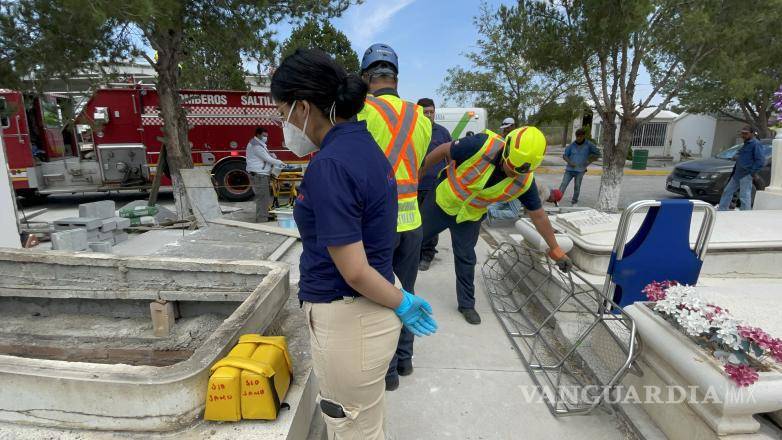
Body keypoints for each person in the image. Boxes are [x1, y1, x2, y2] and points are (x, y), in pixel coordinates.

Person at [271, 48, 437, 440]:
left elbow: (355, 270)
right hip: (369, 315)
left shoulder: (329, 165)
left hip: (349, 319)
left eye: (282, 113)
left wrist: (404, 303)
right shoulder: (363, 145)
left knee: (350, 427)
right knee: (366, 420)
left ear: (303, 107)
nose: (283, 123)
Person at [420, 127, 573, 325]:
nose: (513, 173)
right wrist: (419, 172)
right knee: (411, 239)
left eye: (520, 171)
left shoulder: (525, 183)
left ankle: (466, 305)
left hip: (469, 216)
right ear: (507, 149)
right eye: (511, 166)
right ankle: (388, 284)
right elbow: (443, 150)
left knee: (466, 259)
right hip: (441, 203)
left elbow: (539, 216)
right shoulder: (480, 145)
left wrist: (555, 248)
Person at [357, 43, 433, 391]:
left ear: (365, 77)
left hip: (378, 225)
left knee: (383, 299)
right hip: (413, 223)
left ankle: (386, 373)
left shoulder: (361, 110)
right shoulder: (420, 117)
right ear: (395, 78)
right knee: (408, 293)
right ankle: (405, 361)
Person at [416, 98, 452, 272]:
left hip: (434, 185)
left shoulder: (442, 133)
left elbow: (450, 158)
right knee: (414, 222)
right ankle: (414, 252)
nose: (429, 115)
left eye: (431, 112)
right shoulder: (412, 131)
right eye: (425, 112)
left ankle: (427, 254)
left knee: (430, 222)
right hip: (414, 185)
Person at [718, 126, 767, 211]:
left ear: (752, 134)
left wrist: (752, 172)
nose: (743, 135)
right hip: (737, 174)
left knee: (744, 195)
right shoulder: (746, 143)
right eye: (742, 133)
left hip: (746, 174)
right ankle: (722, 210)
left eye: (746, 133)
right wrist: (736, 156)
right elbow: (741, 155)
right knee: (727, 191)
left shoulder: (756, 144)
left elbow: (761, 161)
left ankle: (745, 215)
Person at [246, 127, 285, 222]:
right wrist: (280, 162)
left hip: (260, 173)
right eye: (264, 136)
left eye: (266, 136)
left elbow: (265, 156)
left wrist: (271, 155)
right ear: (258, 135)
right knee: (262, 197)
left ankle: (264, 215)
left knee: (264, 196)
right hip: (259, 174)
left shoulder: (258, 143)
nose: (266, 138)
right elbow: (267, 159)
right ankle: (261, 218)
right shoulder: (256, 146)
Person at [559, 128, 600, 206]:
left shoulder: (589, 145)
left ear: (583, 136)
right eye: (577, 136)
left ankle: (574, 202)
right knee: (563, 184)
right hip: (569, 170)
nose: (578, 138)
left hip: (580, 171)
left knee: (577, 186)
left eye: (580, 136)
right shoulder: (571, 145)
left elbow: (597, 154)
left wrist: (589, 161)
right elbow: (565, 156)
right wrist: (570, 162)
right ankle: (557, 200)